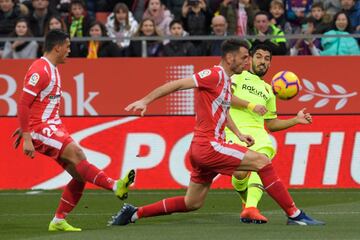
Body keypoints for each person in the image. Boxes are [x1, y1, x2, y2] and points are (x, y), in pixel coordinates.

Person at [109, 39, 324, 226]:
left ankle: (134, 213)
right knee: (262, 162)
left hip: (204, 149)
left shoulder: (226, 82)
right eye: (244, 57)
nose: (247, 62)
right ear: (230, 58)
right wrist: (146, 100)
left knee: (191, 203)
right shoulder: (213, 74)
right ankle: (295, 215)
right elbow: (177, 84)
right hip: (208, 145)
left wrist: (239, 135)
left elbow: (223, 110)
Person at [12, 30, 135, 232]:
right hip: (42, 128)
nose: (69, 50)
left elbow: (35, 104)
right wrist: (27, 135)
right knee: (78, 154)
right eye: (67, 46)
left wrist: (25, 129)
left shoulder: (52, 69)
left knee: (79, 173)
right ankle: (115, 185)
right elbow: (23, 103)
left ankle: (58, 220)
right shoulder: (40, 70)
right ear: (57, 47)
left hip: (50, 126)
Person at [227, 44, 315, 224]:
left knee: (262, 161)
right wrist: (250, 105)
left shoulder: (268, 90)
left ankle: (251, 208)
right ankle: (247, 203)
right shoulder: (237, 77)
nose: (262, 62)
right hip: (234, 130)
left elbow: (272, 124)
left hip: (259, 134)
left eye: (267, 59)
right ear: (249, 59)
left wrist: (295, 120)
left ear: (270, 65)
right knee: (239, 175)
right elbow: (225, 98)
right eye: (259, 56)